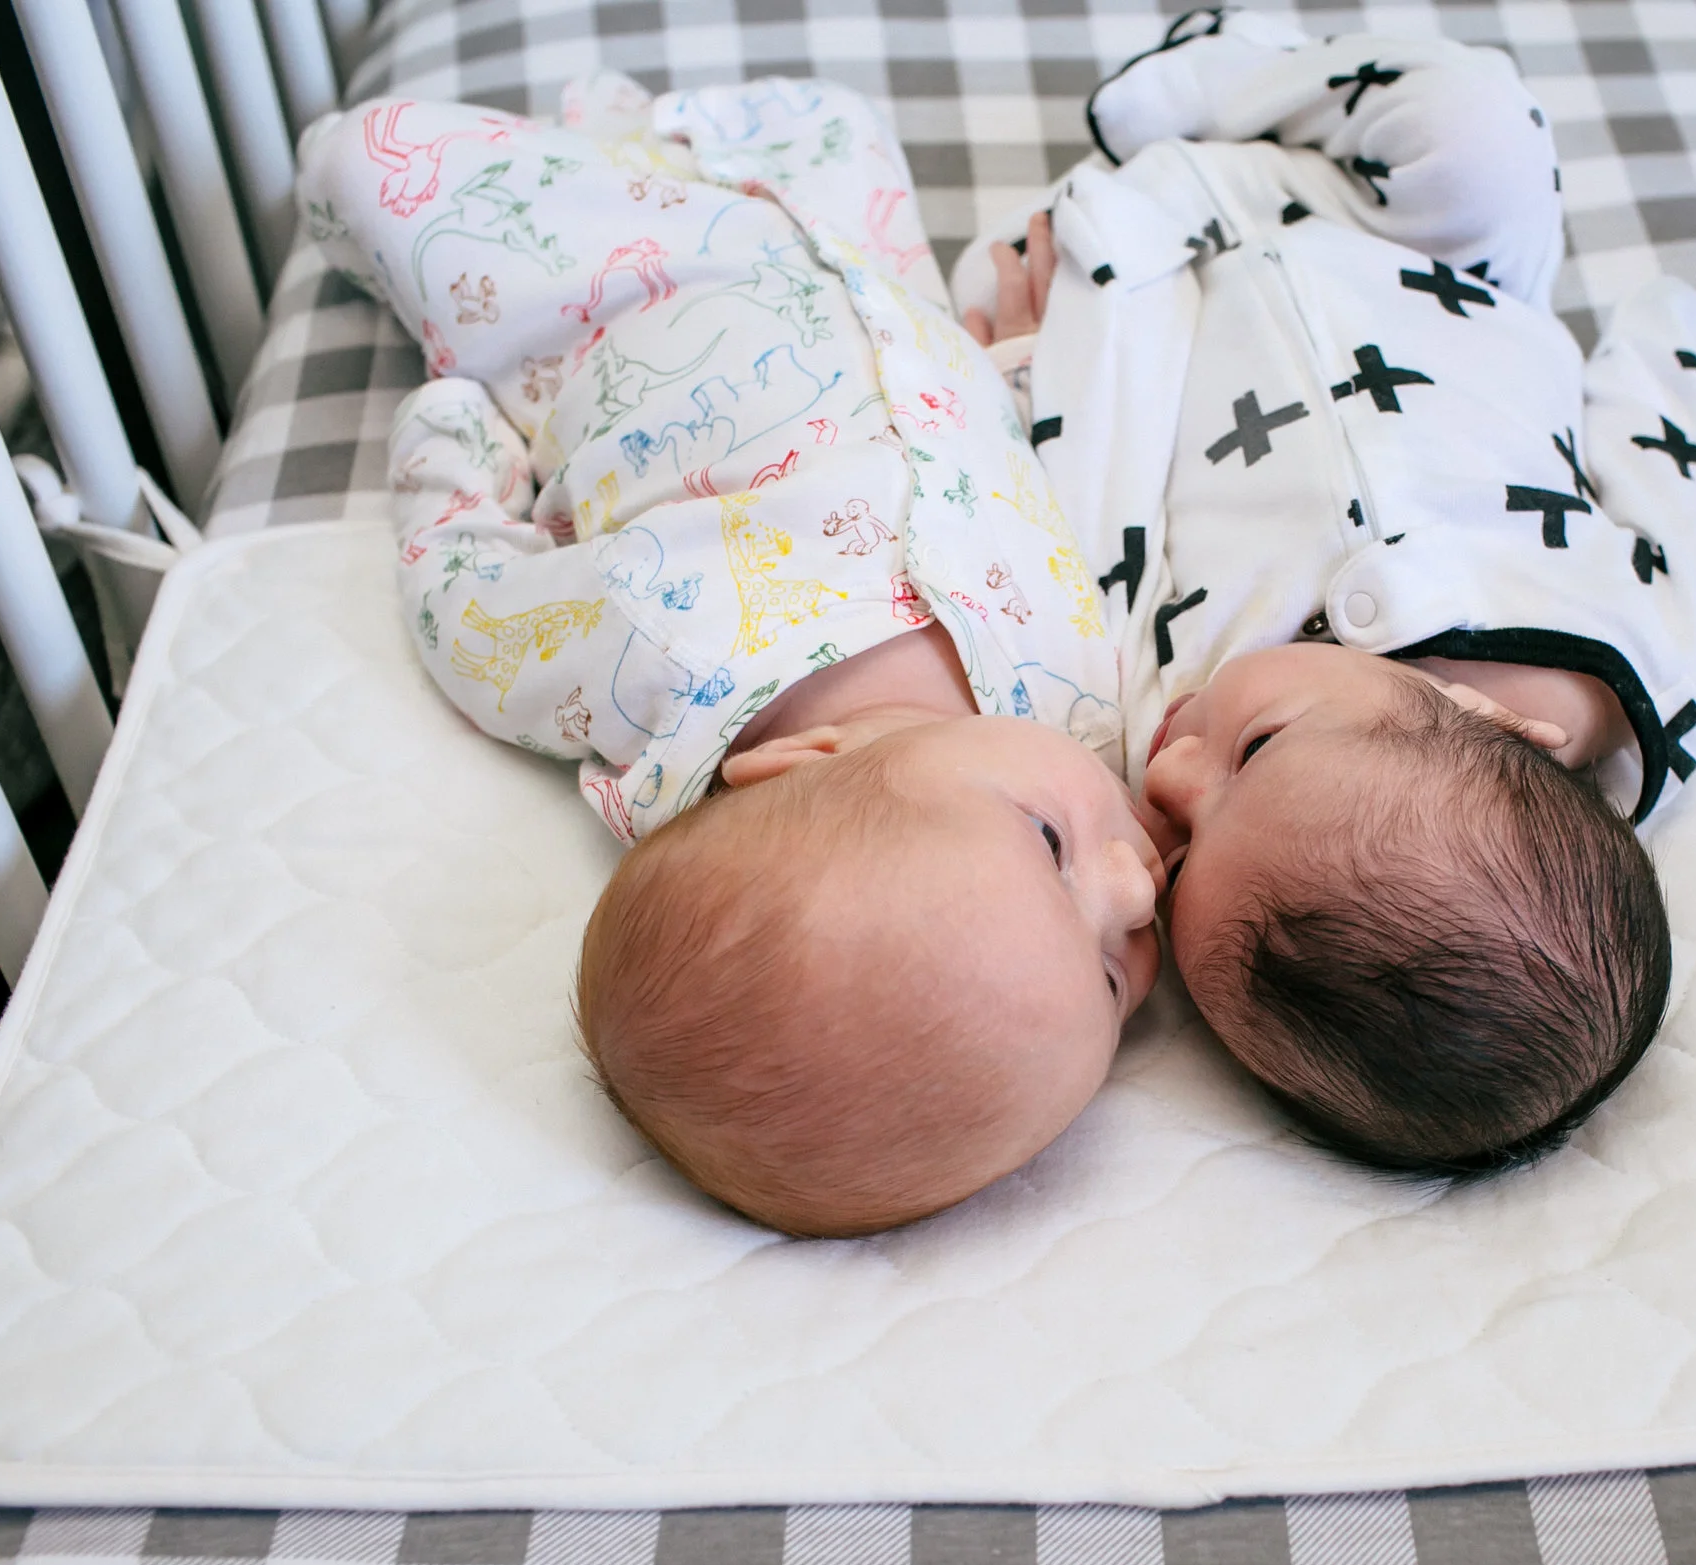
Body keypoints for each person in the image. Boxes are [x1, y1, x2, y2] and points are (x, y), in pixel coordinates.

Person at [299, 72, 1163, 1236]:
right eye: (1111, 969)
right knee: (837, 127)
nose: (1136, 887)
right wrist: (1011, 363)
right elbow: (1043, 485)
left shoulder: (656, 662)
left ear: (788, 761)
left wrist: (454, 437)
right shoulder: (1087, 709)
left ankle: (581, 150)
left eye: (1114, 975)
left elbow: (472, 608)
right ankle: (650, 136)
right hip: (882, 299)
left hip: (644, 294)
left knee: (374, 160)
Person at [955, 11, 1696, 1175]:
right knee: (1479, 129)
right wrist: (1681, 355)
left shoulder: (1175, 692)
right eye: (1255, 750)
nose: (1168, 770)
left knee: (1001, 291)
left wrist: (1037, 361)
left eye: (1175, 847)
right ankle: (1218, 77)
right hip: (1424, 262)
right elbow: (1672, 481)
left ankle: (1139, 179)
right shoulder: (1637, 665)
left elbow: (1082, 527)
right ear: (1489, 722)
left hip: (1163, 294)